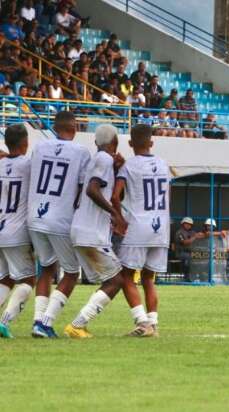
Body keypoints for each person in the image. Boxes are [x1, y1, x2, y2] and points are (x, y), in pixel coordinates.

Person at [29, 111, 91, 338]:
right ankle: (45, 323)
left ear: (55, 128)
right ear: (74, 128)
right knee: (72, 272)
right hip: (60, 218)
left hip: (34, 216)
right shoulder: (81, 152)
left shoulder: (39, 147)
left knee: (46, 268)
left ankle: (37, 319)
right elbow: (83, 189)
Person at [65, 125, 127, 338]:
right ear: (115, 143)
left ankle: (76, 323)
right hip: (91, 231)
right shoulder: (104, 159)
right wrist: (115, 214)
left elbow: (107, 191)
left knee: (112, 279)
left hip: (82, 229)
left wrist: (118, 171)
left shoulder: (99, 160)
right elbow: (92, 190)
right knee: (117, 280)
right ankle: (77, 324)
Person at [112, 124, 171, 337]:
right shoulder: (164, 165)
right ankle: (153, 324)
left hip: (138, 226)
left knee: (125, 276)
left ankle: (142, 322)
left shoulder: (128, 167)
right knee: (148, 277)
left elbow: (114, 195)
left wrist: (118, 219)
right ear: (152, 142)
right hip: (161, 226)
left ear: (130, 144)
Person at [0, 124, 36, 338]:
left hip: (1, 226)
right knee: (28, 279)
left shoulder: (1, 164)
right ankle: (4, 322)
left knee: (5, 278)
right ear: (26, 143)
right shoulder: (29, 165)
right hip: (16, 230)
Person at [174, 217, 202, 283]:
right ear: (183, 224)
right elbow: (185, 243)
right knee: (189, 258)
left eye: (190, 224)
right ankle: (188, 278)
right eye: (187, 224)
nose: (188, 225)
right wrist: (195, 237)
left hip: (191, 252)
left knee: (201, 257)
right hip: (181, 253)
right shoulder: (179, 232)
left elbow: (201, 235)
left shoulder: (192, 232)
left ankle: (201, 277)